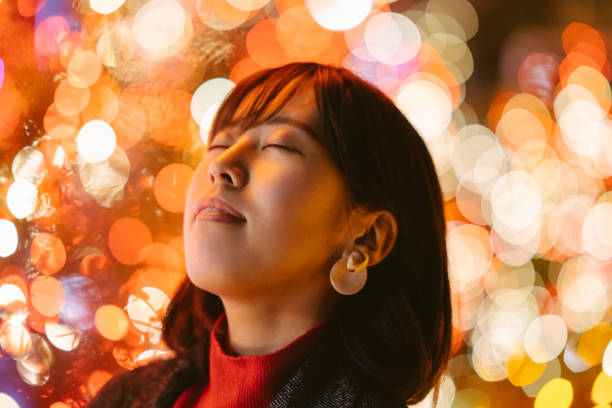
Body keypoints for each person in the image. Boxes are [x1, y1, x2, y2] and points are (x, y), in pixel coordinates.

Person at [87, 62, 452, 408]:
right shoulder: (126, 396)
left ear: (367, 238)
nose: (221, 165)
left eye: (279, 145)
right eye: (217, 145)